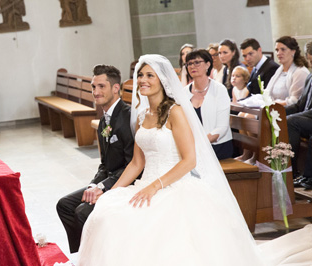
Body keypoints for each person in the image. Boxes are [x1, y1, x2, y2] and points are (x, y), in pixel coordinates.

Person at [76, 54, 312, 266]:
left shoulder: (175, 112)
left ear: (162, 80)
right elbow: (137, 163)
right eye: (140, 75)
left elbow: (189, 161)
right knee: (108, 210)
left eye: (150, 75)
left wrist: (154, 187)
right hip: (145, 184)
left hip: (173, 186)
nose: (144, 79)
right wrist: (114, 191)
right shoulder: (141, 116)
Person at [56, 65, 135, 253]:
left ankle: (96, 257)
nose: (95, 92)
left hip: (128, 182)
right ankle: (79, 256)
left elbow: (133, 164)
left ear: (116, 88)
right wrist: (93, 185)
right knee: (64, 205)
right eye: (93, 87)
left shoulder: (127, 117)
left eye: (101, 86)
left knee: (82, 211)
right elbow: (104, 164)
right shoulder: (104, 121)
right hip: (109, 179)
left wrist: (104, 187)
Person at [185, 49, 233, 160]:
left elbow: (222, 127)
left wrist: (199, 144)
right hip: (192, 147)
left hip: (217, 146)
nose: (192, 66)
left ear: (208, 64)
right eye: (189, 64)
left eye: (197, 62)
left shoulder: (219, 90)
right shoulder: (184, 93)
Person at [287, 40, 312, 189]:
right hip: (308, 116)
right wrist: (277, 110)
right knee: (283, 118)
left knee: (292, 122)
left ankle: (293, 172)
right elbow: (300, 104)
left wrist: (298, 116)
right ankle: (302, 175)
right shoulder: (310, 76)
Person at [265, 36, 309, 106]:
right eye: (277, 50)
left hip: (287, 111)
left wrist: (273, 104)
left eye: (283, 49)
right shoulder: (279, 70)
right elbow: (267, 94)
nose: (279, 53)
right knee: (244, 113)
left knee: (249, 115)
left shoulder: (300, 72)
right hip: (273, 107)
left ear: (293, 51)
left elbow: (295, 101)